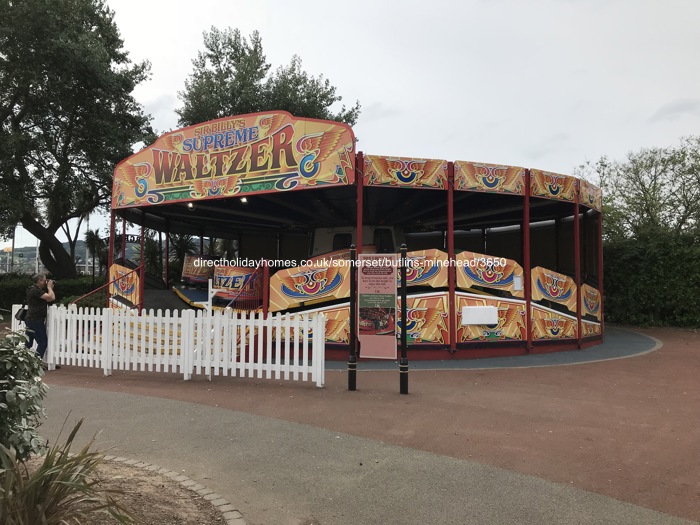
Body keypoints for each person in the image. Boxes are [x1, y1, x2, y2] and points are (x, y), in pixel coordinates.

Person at [25, 273, 55, 361]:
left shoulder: (35, 289)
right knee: (42, 342)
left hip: (31, 319)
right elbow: (51, 297)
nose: (46, 282)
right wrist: (49, 288)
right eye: (44, 280)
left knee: (28, 343)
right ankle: (36, 363)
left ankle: (22, 362)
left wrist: (50, 289)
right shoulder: (35, 290)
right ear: (39, 281)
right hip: (35, 320)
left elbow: (49, 299)